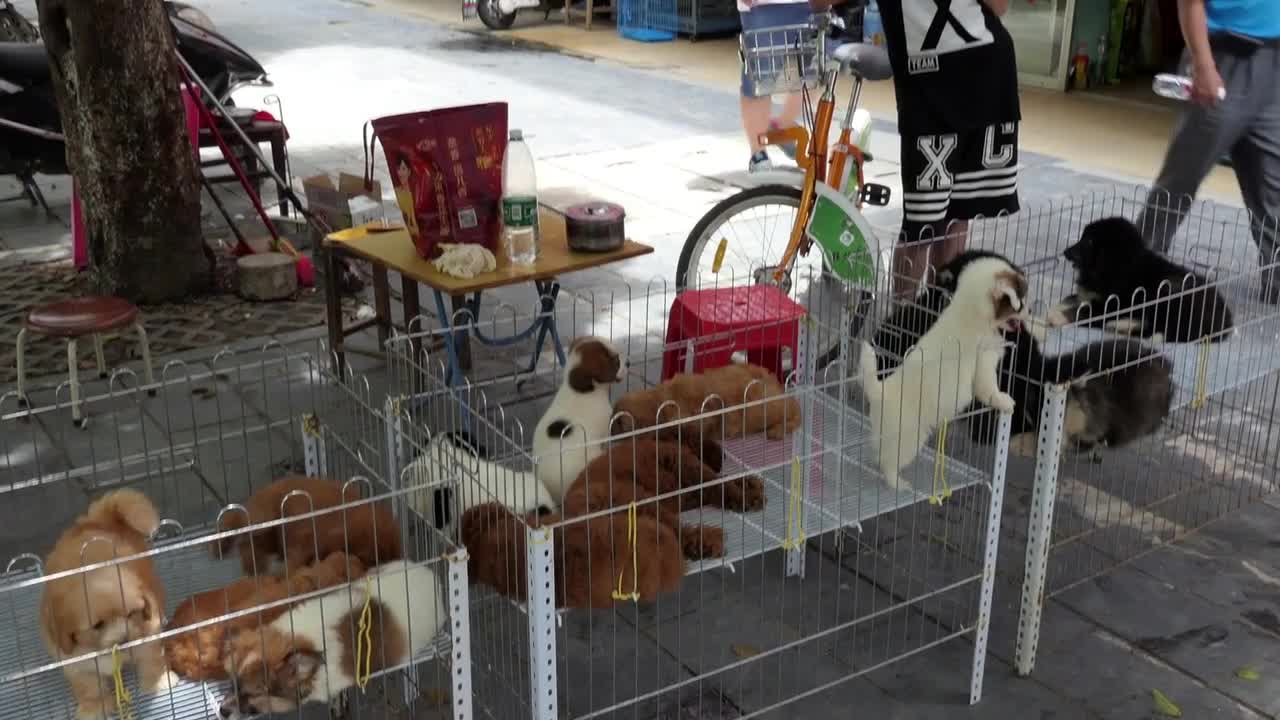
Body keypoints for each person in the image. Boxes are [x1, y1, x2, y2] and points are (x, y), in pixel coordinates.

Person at [1137, 0, 1280, 301]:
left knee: (1273, 182)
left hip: (1274, 62)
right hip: (1224, 58)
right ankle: (1134, 268)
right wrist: (1203, 65)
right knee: (1182, 177)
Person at [876, 0, 1020, 296]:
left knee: (944, 217)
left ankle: (924, 320)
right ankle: (911, 324)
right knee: (934, 220)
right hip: (953, 84)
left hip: (969, 82)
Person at [739, 0, 811, 172]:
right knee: (759, 79)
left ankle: (782, 126)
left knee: (813, 74)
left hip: (812, 5)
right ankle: (758, 152)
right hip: (762, 6)